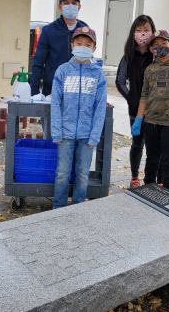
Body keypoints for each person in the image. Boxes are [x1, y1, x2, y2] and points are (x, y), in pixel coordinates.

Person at [50, 26, 108, 209]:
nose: (83, 47)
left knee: (83, 174)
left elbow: (100, 108)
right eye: (79, 43)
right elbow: (56, 103)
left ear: (94, 48)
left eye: (88, 44)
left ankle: (77, 209)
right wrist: (56, 131)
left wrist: (94, 135)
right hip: (65, 133)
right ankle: (57, 208)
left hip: (87, 135)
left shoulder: (98, 74)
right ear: (72, 45)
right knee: (62, 173)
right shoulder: (63, 71)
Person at [129, 30, 169, 191]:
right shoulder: (150, 69)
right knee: (151, 160)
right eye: (156, 45)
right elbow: (144, 95)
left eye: (163, 44)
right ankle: (148, 191)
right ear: (151, 49)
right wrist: (139, 119)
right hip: (150, 122)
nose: (160, 47)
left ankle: (168, 194)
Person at [116, 15, 156, 188]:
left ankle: (151, 179)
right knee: (137, 143)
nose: (142, 34)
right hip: (135, 109)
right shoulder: (128, 57)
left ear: (152, 32)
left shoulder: (156, 55)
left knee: (154, 145)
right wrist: (132, 98)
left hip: (155, 109)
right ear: (133, 33)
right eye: (138, 30)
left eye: (146, 30)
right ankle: (134, 177)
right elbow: (120, 81)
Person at [30, 0, 89, 96]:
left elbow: (89, 60)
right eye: (66, 3)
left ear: (79, 7)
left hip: (77, 91)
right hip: (52, 90)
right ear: (60, 6)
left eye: (74, 3)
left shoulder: (84, 30)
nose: (70, 6)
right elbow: (38, 62)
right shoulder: (49, 31)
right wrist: (34, 90)